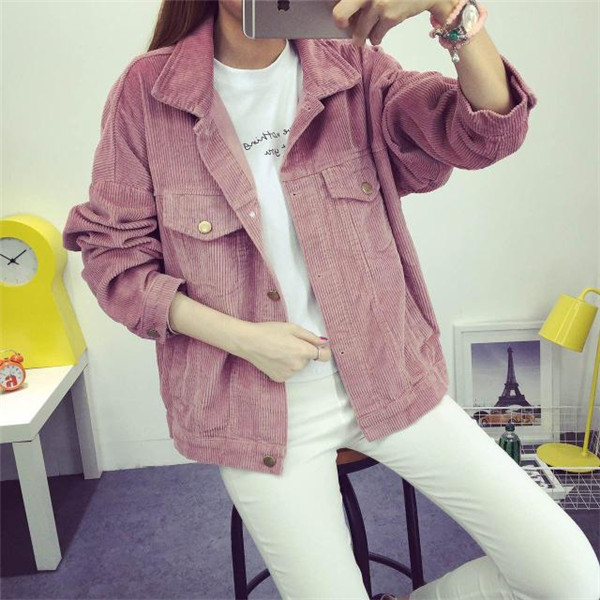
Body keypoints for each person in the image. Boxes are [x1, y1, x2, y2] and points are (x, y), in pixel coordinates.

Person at [62, 1, 600, 598]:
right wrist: (243, 339)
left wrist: (450, 9)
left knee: (572, 579)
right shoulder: (148, 92)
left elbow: (486, 131)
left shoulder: (353, 69)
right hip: (257, 411)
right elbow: (114, 259)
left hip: (388, 375)